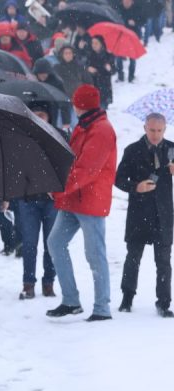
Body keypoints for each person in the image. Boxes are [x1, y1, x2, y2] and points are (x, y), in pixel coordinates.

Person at [46, 84, 117, 321]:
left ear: (80, 105)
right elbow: (74, 162)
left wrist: (58, 189)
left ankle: (102, 308)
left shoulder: (101, 130)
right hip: (74, 198)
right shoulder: (85, 124)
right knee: (56, 243)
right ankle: (71, 300)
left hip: (91, 200)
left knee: (95, 254)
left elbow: (86, 170)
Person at [115, 113, 174, 317]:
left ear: (165, 129)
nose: (155, 134)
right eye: (152, 130)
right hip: (139, 213)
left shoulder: (172, 149)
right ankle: (127, 298)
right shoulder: (132, 150)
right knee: (133, 258)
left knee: (164, 262)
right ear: (145, 128)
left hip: (164, 214)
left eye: (159, 130)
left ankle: (164, 303)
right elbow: (119, 179)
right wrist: (136, 187)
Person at [18, 103, 61, 300]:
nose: (39, 118)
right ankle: (28, 283)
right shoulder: (22, 138)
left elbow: (66, 165)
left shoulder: (58, 136)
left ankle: (49, 283)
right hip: (28, 199)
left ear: (49, 116)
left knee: (51, 243)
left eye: (42, 114)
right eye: (35, 114)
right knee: (29, 244)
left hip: (52, 199)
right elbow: (16, 168)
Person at [116, 0, 145, 82]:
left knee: (132, 57)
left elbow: (143, 21)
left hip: (133, 35)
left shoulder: (137, 8)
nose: (126, 3)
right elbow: (115, 20)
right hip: (121, 35)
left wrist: (135, 23)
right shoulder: (119, 9)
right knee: (118, 57)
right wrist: (124, 22)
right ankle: (120, 75)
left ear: (132, 2)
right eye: (125, 1)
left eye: (128, 2)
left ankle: (131, 76)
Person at [85, 35, 115, 110]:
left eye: (96, 43)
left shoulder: (108, 55)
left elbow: (114, 70)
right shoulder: (89, 54)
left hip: (104, 87)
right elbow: (83, 66)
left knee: (102, 109)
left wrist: (110, 68)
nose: (94, 45)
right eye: (92, 43)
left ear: (101, 44)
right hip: (92, 86)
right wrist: (88, 68)